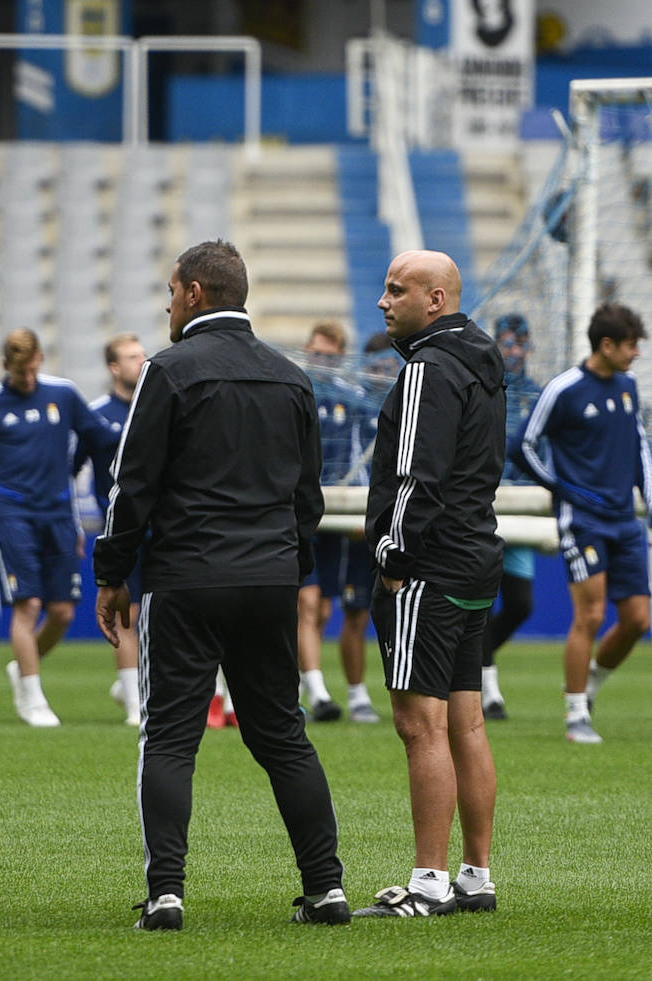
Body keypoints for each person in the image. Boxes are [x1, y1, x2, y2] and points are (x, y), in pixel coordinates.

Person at [93, 240, 349, 930]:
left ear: (197, 294)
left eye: (172, 291)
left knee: (171, 737)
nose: (168, 303)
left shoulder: (168, 372)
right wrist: (289, 569)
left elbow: (132, 485)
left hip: (186, 578)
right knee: (283, 736)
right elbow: (308, 498)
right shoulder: (292, 378)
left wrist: (112, 573)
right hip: (269, 579)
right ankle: (326, 887)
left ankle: (167, 894)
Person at [358, 249, 502, 918]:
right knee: (468, 720)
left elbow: (417, 478)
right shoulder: (483, 358)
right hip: (475, 560)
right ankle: (476, 875)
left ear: (435, 299)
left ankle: (427, 882)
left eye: (396, 290)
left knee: (422, 724)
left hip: (428, 567)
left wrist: (391, 552)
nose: (383, 302)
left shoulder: (426, 367)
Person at [513, 301, 652, 745]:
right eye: (631, 346)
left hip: (624, 520)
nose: (636, 353)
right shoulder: (564, 389)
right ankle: (576, 714)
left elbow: (640, 449)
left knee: (638, 620)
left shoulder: (628, 386)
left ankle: (590, 686)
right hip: (583, 521)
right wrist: (562, 489)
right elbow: (521, 445)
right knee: (592, 613)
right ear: (607, 345)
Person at [0, 328, 119, 727]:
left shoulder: (63, 393)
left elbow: (102, 438)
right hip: (13, 515)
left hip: (60, 515)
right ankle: (33, 695)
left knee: (61, 611)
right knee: (30, 605)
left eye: (33, 370)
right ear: (7, 366)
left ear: (41, 359)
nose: (28, 379)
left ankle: (23, 669)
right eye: (20, 372)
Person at [297, 319, 380, 724]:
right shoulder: (295, 393)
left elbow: (362, 454)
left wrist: (362, 508)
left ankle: (313, 684)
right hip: (300, 511)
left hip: (340, 513)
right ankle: (318, 692)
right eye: (316, 353)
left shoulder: (354, 399)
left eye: (329, 356)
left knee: (330, 609)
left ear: (341, 358)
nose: (321, 361)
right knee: (307, 604)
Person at [73, 332, 147, 727]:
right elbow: (71, 468)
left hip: (162, 527)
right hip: (119, 529)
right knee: (127, 614)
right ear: (114, 367)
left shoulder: (156, 406)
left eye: (142, 354)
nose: (141, 361)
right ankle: (135, 703)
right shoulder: (96, 414)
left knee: (159, 613)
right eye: (132, 357)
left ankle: (135, 687)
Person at [480, 313, 541, 720]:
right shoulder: (483, 386)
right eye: (507, 342)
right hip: (483, 505)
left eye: (520, 344)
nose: (513, 351)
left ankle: (473, 660)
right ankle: (489, 689)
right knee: (480, 601)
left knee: (520, 604)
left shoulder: (536, 394)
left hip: (523, 507)